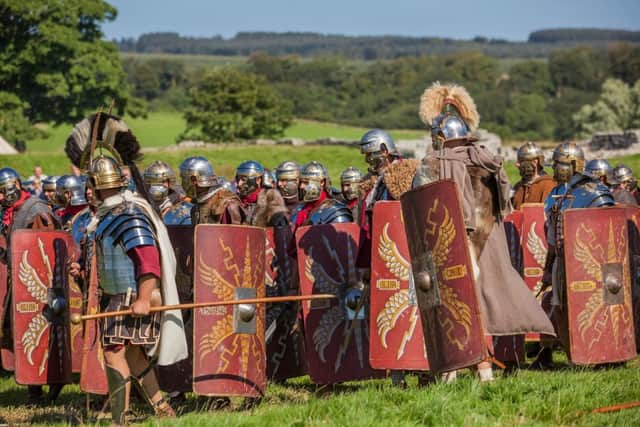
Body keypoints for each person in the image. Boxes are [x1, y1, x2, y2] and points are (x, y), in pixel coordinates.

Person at [412, 82, 554, 382]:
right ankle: (484, 370)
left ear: (439, 137)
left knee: (453, 306)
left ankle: (451, 372)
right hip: (488, 242)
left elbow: (420, 203)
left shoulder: (435, 163)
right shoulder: (485, 160)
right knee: (481, 304)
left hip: (450, 246)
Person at [84, 155, 187, 424]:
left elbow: (148, 260)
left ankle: (120, 418)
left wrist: (143, 298)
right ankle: (163, 409)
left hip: (129, 296)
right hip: (119, 295)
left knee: (113, 352)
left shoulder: (127, 214)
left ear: (96, 183)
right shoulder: (110, 213)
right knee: (134, 355)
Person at [533, 161, 616, 369]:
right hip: (562, 260)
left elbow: (609, 230)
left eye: (560, 163)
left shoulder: (595, 192)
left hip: (592, 264)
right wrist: (547, 268)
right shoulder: (557, 195)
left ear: (573, 163)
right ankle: (574, 356)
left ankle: (605, 354)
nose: (555, 168)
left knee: (598, 307)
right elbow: (552, 239)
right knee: (561, 308)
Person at [0, 167, 63, 404]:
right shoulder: (14, 212)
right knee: (23, 334)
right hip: (21, 286)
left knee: (42, 336)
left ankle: (51, 385)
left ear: (15, 186)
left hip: (40, 288)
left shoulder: (35, 211)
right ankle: (34, 390)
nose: (0, 197)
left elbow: (43, 251)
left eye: (2, 191)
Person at [291, 161, 353, 229]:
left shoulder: (336, 212)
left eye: (306, 182)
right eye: (301, 182)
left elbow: (340, 238)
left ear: (322, 182)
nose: (301, 186)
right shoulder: (299, 209)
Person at [189, 158, 245, 226]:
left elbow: (237, 234)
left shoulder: (228, 205)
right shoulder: (195, 208)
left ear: (194, 180)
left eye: (184, 178)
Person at [511, 142, 556, 210]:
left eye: (521, 161)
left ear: (535, 162)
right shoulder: (518, 187)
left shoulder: (549, 185)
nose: (517, 164)